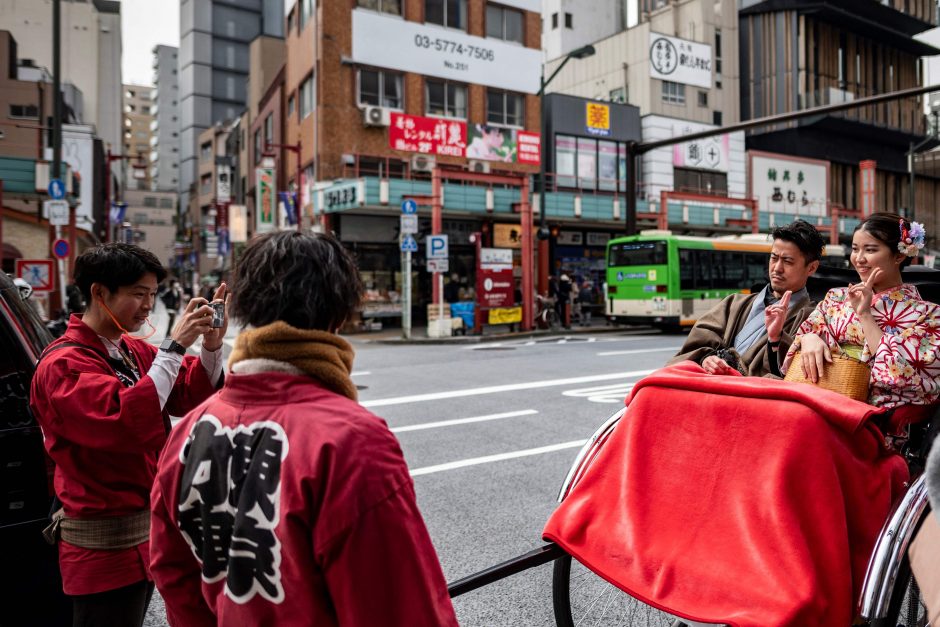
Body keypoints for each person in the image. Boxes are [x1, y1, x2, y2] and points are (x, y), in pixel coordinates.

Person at [149, 232, 458, 626]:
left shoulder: (187, 435)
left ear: (246, 308)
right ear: (340, 314)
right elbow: (400, 607)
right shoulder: (351, 440)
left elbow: (173, 574)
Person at [29, 243, 226, 627]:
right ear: (99, 293)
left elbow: (185, 390)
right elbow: (124, 420)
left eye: (152, 295)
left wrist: (212, 345)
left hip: (140, 528)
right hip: (101, 543)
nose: (148, 306)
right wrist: (175, 346)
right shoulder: (63, 364)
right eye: (138, 294)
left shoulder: (129, 349)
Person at [782, 212, 940, 408]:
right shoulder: (836, 296)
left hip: (869, 412)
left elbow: (906, 375)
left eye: (870, 250)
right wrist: (808, 338)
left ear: (899, 255)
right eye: (855, 249)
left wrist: (865, 315)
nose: (859, 258)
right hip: (816, 394)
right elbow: (807, 334)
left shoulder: (929, 315)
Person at [668, 219, 826, 377]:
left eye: (787, 261)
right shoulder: (734, 304)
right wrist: (707, 359)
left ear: (811, 267)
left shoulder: (814, 317)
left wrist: (777, 339)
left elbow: (793, 376)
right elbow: (696, 346)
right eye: (774, 258)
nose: (777, 268)